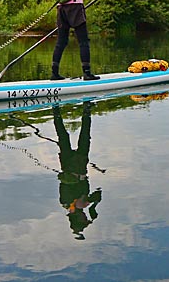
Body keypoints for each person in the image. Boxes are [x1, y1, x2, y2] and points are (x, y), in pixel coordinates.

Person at [53, 101, 104, 240]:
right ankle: (86, 109)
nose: (85, 216)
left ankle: (55, 109)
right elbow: (99, 194)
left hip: (68, 164)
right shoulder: (85, 204)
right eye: (86, 218)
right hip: (81, 164)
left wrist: (76, 202)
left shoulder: (65, 203)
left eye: (84, 219)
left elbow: (65, 184)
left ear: (77, 218)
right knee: (85, 135)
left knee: (63, 136)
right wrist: (93, 206)